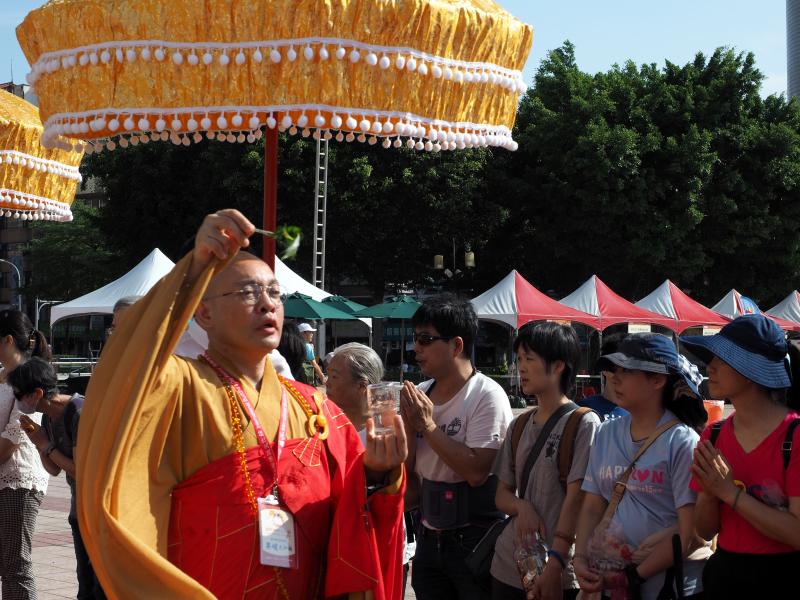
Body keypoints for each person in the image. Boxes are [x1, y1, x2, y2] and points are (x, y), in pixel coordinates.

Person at [73, 210, 407, 600]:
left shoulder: (314, 407)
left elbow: (351, 521)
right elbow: (125, 367)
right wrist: (194, 269)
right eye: (248, 292)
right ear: (204, 312)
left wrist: (378, 475)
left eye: (274, 294)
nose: (267, 305)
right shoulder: (180, 387)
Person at [574, 333, 709, 600]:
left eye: (627, 371)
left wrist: (632, 577)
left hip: (667, 587)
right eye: (614, 370)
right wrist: (579, 559)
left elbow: (688, 533)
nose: (614, 378)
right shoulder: (606, 433)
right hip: (610, 585)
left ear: (658, 380)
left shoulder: (682, 442)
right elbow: (592, 506)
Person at [401, 294, 513, 599]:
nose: (416, 348)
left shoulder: (486, 395)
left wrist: (427, 425)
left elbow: (476, 472)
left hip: (473, 539)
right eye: (415, 338)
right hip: (428, 537)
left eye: (426, 339)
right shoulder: (421, 393)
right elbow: (408, 472)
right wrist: (405, 428)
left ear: (457, 345)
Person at [682, 314, 800, 599]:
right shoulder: (713, 435)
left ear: (751, 369)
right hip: (726, 576)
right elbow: (704, 531)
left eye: (722, 359)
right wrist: (710, 494)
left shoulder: (794, 435)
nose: (709, 367)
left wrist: (728, 493)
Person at [490, 322, 601, 600]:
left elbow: (578, 499)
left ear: (559, 365)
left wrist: (555, 564)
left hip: (560, 569)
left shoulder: (583, 423)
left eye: (529, 359)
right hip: (509, 565)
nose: (521, 368)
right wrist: (522, 506)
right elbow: (502, 495)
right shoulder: (519, 424)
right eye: (519, 359)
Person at [326, 343, 417, 594]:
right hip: (340, 545)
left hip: (380, 544)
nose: (326, 382)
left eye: (334, 376)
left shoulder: (386, 433)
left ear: (362, 385)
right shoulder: (324, 427)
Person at [13, 358, 106, 600]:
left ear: (37, 394)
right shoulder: (48, 417)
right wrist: (38, 442)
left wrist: (45, 444)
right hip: (79, 510)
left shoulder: (79, 412)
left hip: (100, 512)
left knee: (101, 587)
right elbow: (53, 469)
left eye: (19, 394)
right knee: (85, 585)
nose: (17, 401)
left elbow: (81, 472)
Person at [0, 309, 50, 599]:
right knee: (7, 565)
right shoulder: (1, 376)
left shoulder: (29, 379)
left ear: (8, 340)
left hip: (18, 481)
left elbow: (13, 437)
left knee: (16, 566)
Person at [577, 334, 628, 422]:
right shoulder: (584, 409)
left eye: (627, 369)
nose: (620, 374)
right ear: (604, 369)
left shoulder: (640, 412)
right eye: (615, 367)